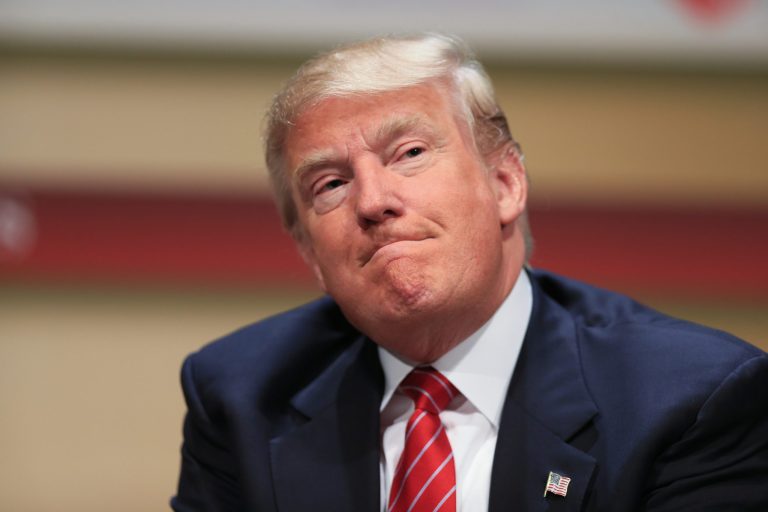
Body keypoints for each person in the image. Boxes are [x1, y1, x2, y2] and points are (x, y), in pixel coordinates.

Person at [171, 33, 768, 511]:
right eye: (330, 184)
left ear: (505, 184)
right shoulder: (239, 397)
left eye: (409, 153)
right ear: (309, 255)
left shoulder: (689, 400)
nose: (373, 201)